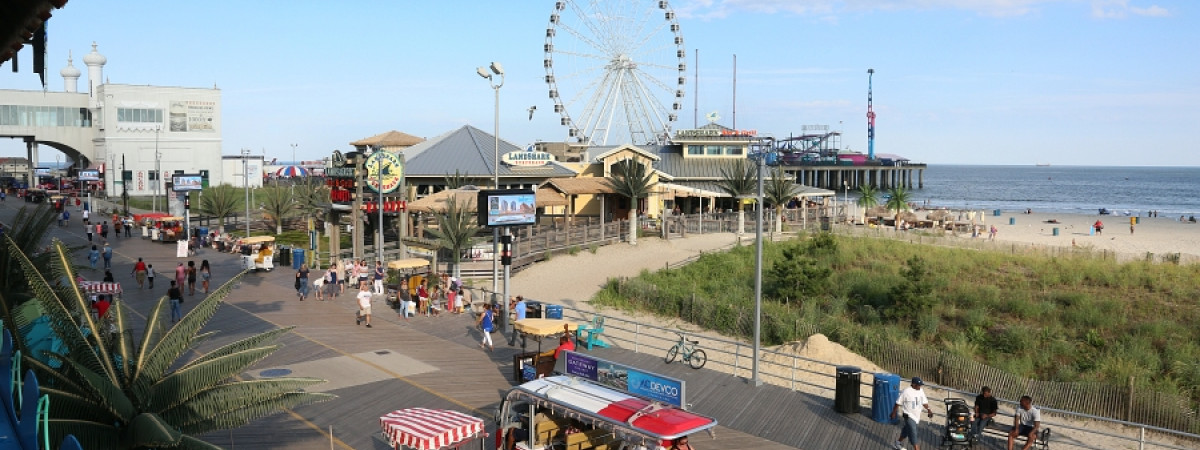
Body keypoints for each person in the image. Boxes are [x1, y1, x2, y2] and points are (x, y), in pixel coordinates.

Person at [891, 377, 934, 450]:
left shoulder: (921, 390)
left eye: (920, 385)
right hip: (908, 416)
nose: (920, 386)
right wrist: (893, 413)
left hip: (916, 417)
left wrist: (929, 410)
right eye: (918, 385)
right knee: (914, 434)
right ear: (913, 384)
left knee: (907, 430)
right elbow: (897, 403)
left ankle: (897, 443)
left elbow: (924, 401)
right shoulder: (906, 391)